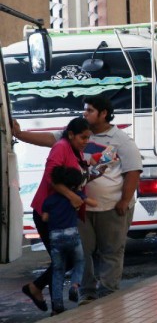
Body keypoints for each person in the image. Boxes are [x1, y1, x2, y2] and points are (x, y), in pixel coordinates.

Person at [15, 95, 143, 305]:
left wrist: (124, 200)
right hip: (81, 209)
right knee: (83, 252)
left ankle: (109, 295)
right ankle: (87, 294)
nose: (85, 113)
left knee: (110, 251)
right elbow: (49, 139)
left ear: (103, 114)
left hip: (112, 208)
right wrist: (19, 134)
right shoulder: (74, 136)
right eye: (85, 110)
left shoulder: (121, 140)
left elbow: (133, 172)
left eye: (90, 110)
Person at [20, 117, 93, 313]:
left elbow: (75, 177)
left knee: (62, 259)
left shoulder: (74, 149)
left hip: (62, 213)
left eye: (88, 137)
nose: (86, 141)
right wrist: (72, 196)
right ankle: (52, 304)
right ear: (71, 135)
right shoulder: (61, 147)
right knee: (62, 259)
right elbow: (52, 177)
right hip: (49, 212)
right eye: (83, 137)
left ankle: (43, 295)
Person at [43, 166, 97, 315]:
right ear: (74, 183)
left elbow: (44, 218)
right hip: (72, 234)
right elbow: (94, 203)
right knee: (79, 261)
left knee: (58, 270)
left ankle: (58, 304)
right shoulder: (76, 195)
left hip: (55, 237)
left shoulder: (49, 200)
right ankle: (74, 285)